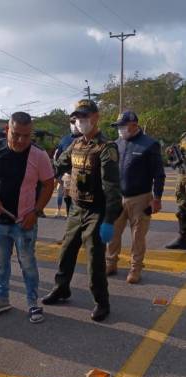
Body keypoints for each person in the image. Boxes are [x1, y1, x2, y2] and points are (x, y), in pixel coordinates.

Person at [42, 100, 122, 322]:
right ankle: (61, 289)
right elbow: (59, 165)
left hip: (97, 211)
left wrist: (109, 219)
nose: (80, 122)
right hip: (76, 208)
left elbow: (113, 188)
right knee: (66, 252)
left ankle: (101, 302)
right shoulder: (76, 144)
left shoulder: (106, 148)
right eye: (78, 118)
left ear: (96, 117)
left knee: (95, 260)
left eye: (85, 117)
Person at [0, 112, 55, 323]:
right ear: (7, 130)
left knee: (28, 263)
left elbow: (49, 184)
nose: (21, 140)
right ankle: (2, 300)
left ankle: (33, 304)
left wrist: (36, 212)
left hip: (24, 222)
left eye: (26, 136)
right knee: (0, 263)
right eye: (16, 134)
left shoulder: (38, 155)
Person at [106, 111, 166, 284]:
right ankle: (111, 263)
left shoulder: (149, 144)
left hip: (140, 198)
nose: (120, 130)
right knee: (113, 233)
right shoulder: (116, 144)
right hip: (118, 197)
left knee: (138, 236)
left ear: (134, 124)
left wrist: (157, 198)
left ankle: (135, 268)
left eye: (123, 126)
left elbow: (159, 174)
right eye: (118, 126)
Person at [53, 121, 82, 217]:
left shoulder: (87, 137)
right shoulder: (64, 140)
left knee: (81, 197)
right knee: (67, 197)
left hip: (82, 175)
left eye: (76, 122)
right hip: (68, 175)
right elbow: (58, 157)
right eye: (72, 122)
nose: (74, 125)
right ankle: (70, 215)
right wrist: (58, 175)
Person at [164, 131, 186, 250]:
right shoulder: (183, 136)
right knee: (182, 209)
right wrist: (171, 153)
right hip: (182, 176)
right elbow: (176, 157)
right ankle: (183, 238)